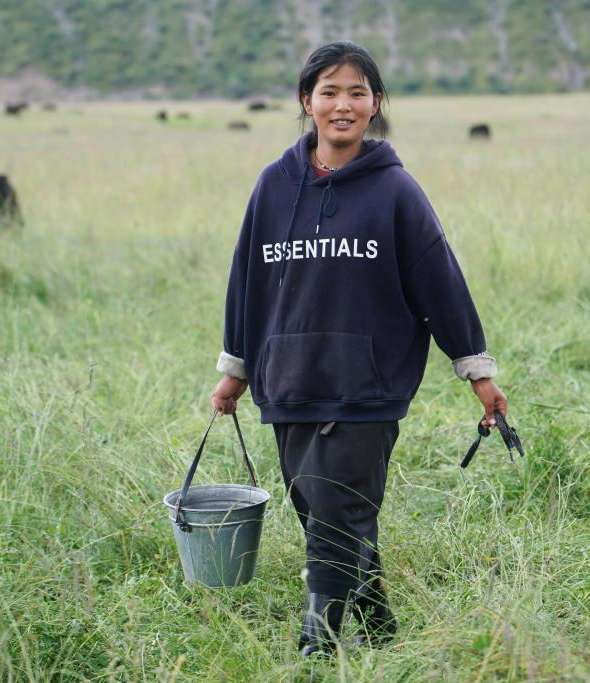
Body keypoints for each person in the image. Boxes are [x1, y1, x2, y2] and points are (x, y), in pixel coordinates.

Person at [210, 41, 508, 658]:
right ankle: (379, 627)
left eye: (357, 93)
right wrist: (236, 370)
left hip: (366, 386)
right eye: (329, 92)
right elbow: (249, 282)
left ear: (375, 105)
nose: (342, 105)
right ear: (306, 102)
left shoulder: (396, 191)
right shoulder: (273, 187)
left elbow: (440, 282)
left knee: (336, 516)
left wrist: (476, 370)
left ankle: (315, 648)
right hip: (288, 380)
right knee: (322, 511)